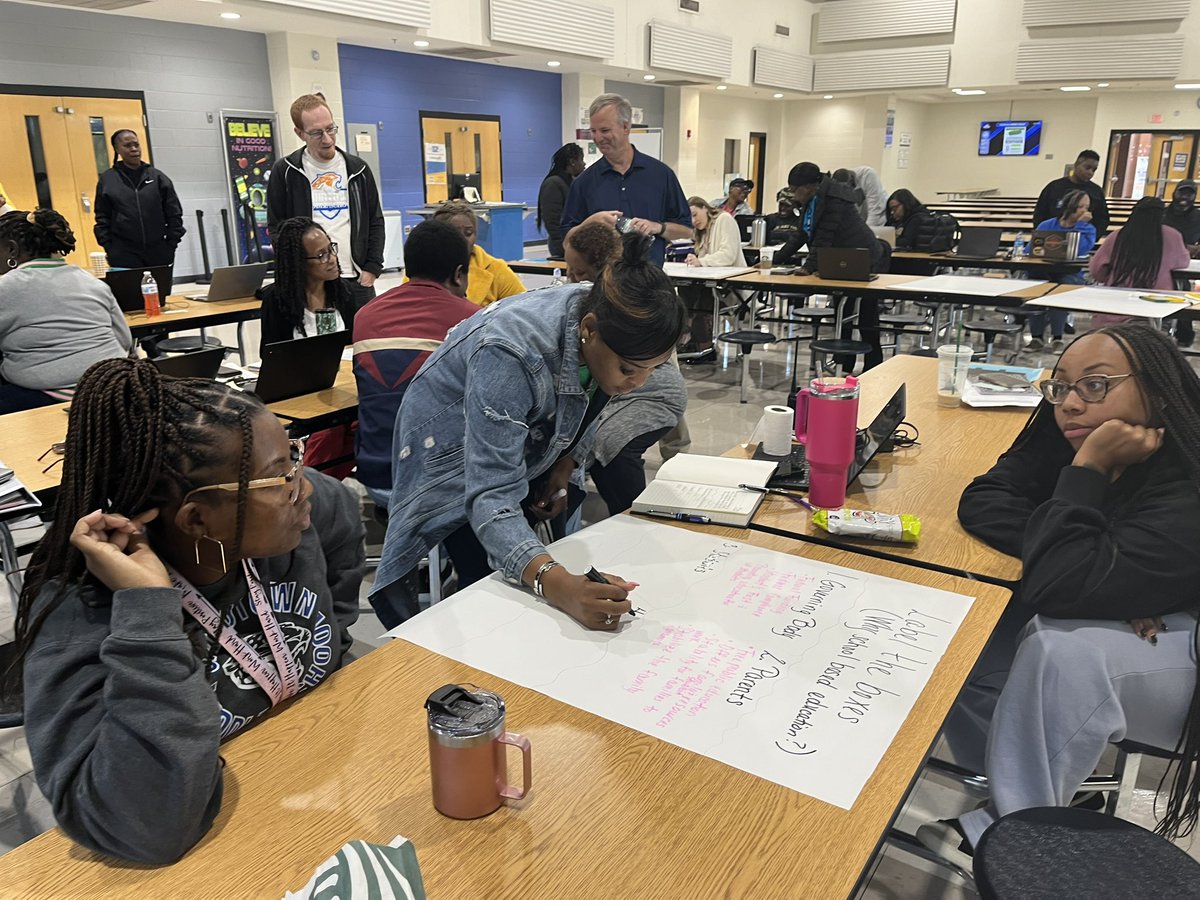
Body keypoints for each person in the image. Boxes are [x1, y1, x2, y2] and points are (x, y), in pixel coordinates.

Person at [5, 357, 364, 864]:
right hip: (204, 841)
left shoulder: (303, 518)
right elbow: (144, 828)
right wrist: (148, 613)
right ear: (197, 519)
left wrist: (334, 649)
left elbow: (339, 544)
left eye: (293, 458)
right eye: (278, 477)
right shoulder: (82, 611)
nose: (301, 487)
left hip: (310, 779)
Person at [917, 324, 1200, 869]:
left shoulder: (1186, 476)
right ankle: (1052, 789)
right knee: (963, 627)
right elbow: (985, 498)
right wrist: (1096, 555)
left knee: (1061, 650)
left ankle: (1016, 840)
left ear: (1158, 390)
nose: (1070, 403)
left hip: (1187, 653)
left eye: (1096, 385)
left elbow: (1060, 584)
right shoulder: (1072, 431)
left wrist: (1087, 477)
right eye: (1060, 386)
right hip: (1135, 611)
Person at [369, 234, 685, 630]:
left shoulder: (607, 315)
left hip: (517, 427)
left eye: (653, 369)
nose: (638, 383)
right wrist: (556, 584)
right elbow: (490, 495)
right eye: (629, 369)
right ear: (589, 330)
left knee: (532, 544)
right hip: (447, 447)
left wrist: (566, 462)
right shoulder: (511, 351)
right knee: (488, 586)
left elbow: (593, 397)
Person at [563, 225, 687, 518]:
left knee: (609, 445)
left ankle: (634, 522)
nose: (571, 279)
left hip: (654, 396)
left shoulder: (630, 315)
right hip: (616, 391)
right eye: (570, 271)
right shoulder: (581, 318)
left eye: (579, 273)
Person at [353, 219, 477, 510]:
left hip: (377, 479)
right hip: (441, 485)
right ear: (459, 274)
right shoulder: (474, 320)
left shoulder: (365, 315)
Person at [0, 209, 132, 413]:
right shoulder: (91, 282)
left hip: (48, 396)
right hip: (115, 387)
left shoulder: (6, 287)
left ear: (12, 250)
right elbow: (124, 340)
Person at [267, 93, 384, 310]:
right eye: (316, 133)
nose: (327, 139)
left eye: (331, 129)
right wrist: (296, 271)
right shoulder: (285, 171)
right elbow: (277, 229)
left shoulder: (358, 169)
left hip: (356, 278)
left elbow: (375, 221)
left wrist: (372, 268)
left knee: (361, 332)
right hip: (310, 284)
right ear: (300, 133)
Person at [777, 162, 889, 371]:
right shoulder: (812, 200)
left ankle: (874, 366)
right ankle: (844, 364)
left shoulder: (835, 199)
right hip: (840, 262)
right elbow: (800, 235)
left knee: (866, 315)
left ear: (809, 187)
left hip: (864, 258)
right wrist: (776, 259)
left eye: (794, 189)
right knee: (842, 312)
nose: (793, 194)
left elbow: (824, 237)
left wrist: (808, 268)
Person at [561, 93, 693, 267]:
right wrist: (590, 223)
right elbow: (566, 242)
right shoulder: (583, 183)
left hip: (649, 279)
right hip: (602, 280)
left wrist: (657, 227)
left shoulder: (661, 175)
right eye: (593, 131)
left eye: (605, 130)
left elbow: (687, 231)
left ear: (626, 127)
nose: (598, 138)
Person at [257, 217, 357, 354]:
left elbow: (356, 345)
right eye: (321, 255)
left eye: (331, 249)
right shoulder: (277, 300)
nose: (332, 259)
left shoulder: (344, 292)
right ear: (298, 262)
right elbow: (270, 356)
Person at [1089, 196, 1191, 328]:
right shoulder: (1172, 235)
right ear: (1162, 215)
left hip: (1117, 302)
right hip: (1157, 304)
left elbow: (1096, 270)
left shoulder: (1118, 235)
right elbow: (1183, 262)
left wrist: (1108, 277)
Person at [94, 129, 185, 269]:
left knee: (160, 284)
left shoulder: (157, 177)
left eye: (136, 144)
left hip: (158, 250)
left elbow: (174, 213)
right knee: (131, 284)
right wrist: (109, 247)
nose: (134, 149)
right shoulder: (108, 180)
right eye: (127, 145)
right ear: (117, 149)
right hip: (123, 252)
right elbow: (102, 216)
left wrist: (171, 243)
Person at [1026, 189, 1097, 352]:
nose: (1085, 211)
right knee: (1034, 285)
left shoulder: (1088, 229)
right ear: (1069, 206)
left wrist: (1080, 225)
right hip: (1043, 270)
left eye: (1087, 207)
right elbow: (1030, 249)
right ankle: (1036, 337)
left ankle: (1057, 338)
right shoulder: (1047, 225)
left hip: (1070, 273)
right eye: (1081, 207)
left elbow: (1080, 249)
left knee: (1059, 289)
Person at [681, 196, 747, 354]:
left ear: (705, 208)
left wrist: (702, 261)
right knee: (684, 290)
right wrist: (694, 259)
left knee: (703, 299)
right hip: (711, 283)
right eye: (690, 218)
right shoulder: (701, 232)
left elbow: (728, 255)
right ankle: (687, 339)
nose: (693, 221)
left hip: (731, 286)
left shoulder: (725, 219)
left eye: (695, 214)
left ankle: (703, 346)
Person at [428, 200, 524, 306]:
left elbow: (524, 307)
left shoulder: (496, 269)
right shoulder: (420, 269)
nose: (463, 240)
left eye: (468, 233)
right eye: (454, 233)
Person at [1033, 149, 1110, 236]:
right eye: (1087, 168)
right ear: (1077, 164)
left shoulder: (1096, 192)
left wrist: (1092, 237)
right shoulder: (1054, 187)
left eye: (1094, 170)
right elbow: (1039, 213)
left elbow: (1102, 219)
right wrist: (1042, 235)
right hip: (1052, 237)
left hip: (1083, 237)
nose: (1090, 172)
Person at [1164, 180, 1200, 348]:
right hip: (1162, 260)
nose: (1184, 197)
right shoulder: (1163, 214)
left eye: (1189, 194)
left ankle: (1184, 331)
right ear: (1175, 193)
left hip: (1186, 263)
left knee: (1183, 290)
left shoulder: (1198, 216)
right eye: (1182, 193)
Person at [537, 143, 585, 259]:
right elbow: (552, 221)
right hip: (562, 246)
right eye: (581, 160)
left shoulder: (572, 183)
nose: (584, 164)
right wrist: (564, 246)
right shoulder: (553, 184)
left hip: (574, 243)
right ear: (572, 162)